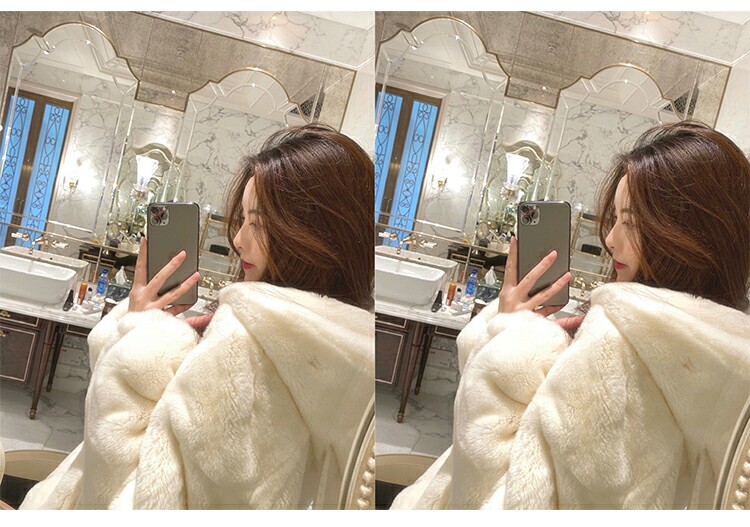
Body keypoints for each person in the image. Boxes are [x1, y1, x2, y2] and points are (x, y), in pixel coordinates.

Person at [390, 121, 750, 509]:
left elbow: (501, 499)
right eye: (616, 219)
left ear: (688, 235)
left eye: (631, 222)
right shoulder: (722, 351)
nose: (610, 239)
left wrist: (509, 337)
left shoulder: (618, 345)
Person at [19, 124, 375, 509]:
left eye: (259, 223)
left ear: (314, 235)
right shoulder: (333, 343)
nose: (238, 240)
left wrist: (139, 335)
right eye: (243, 220)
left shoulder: (245, 347)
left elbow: (133, 500)